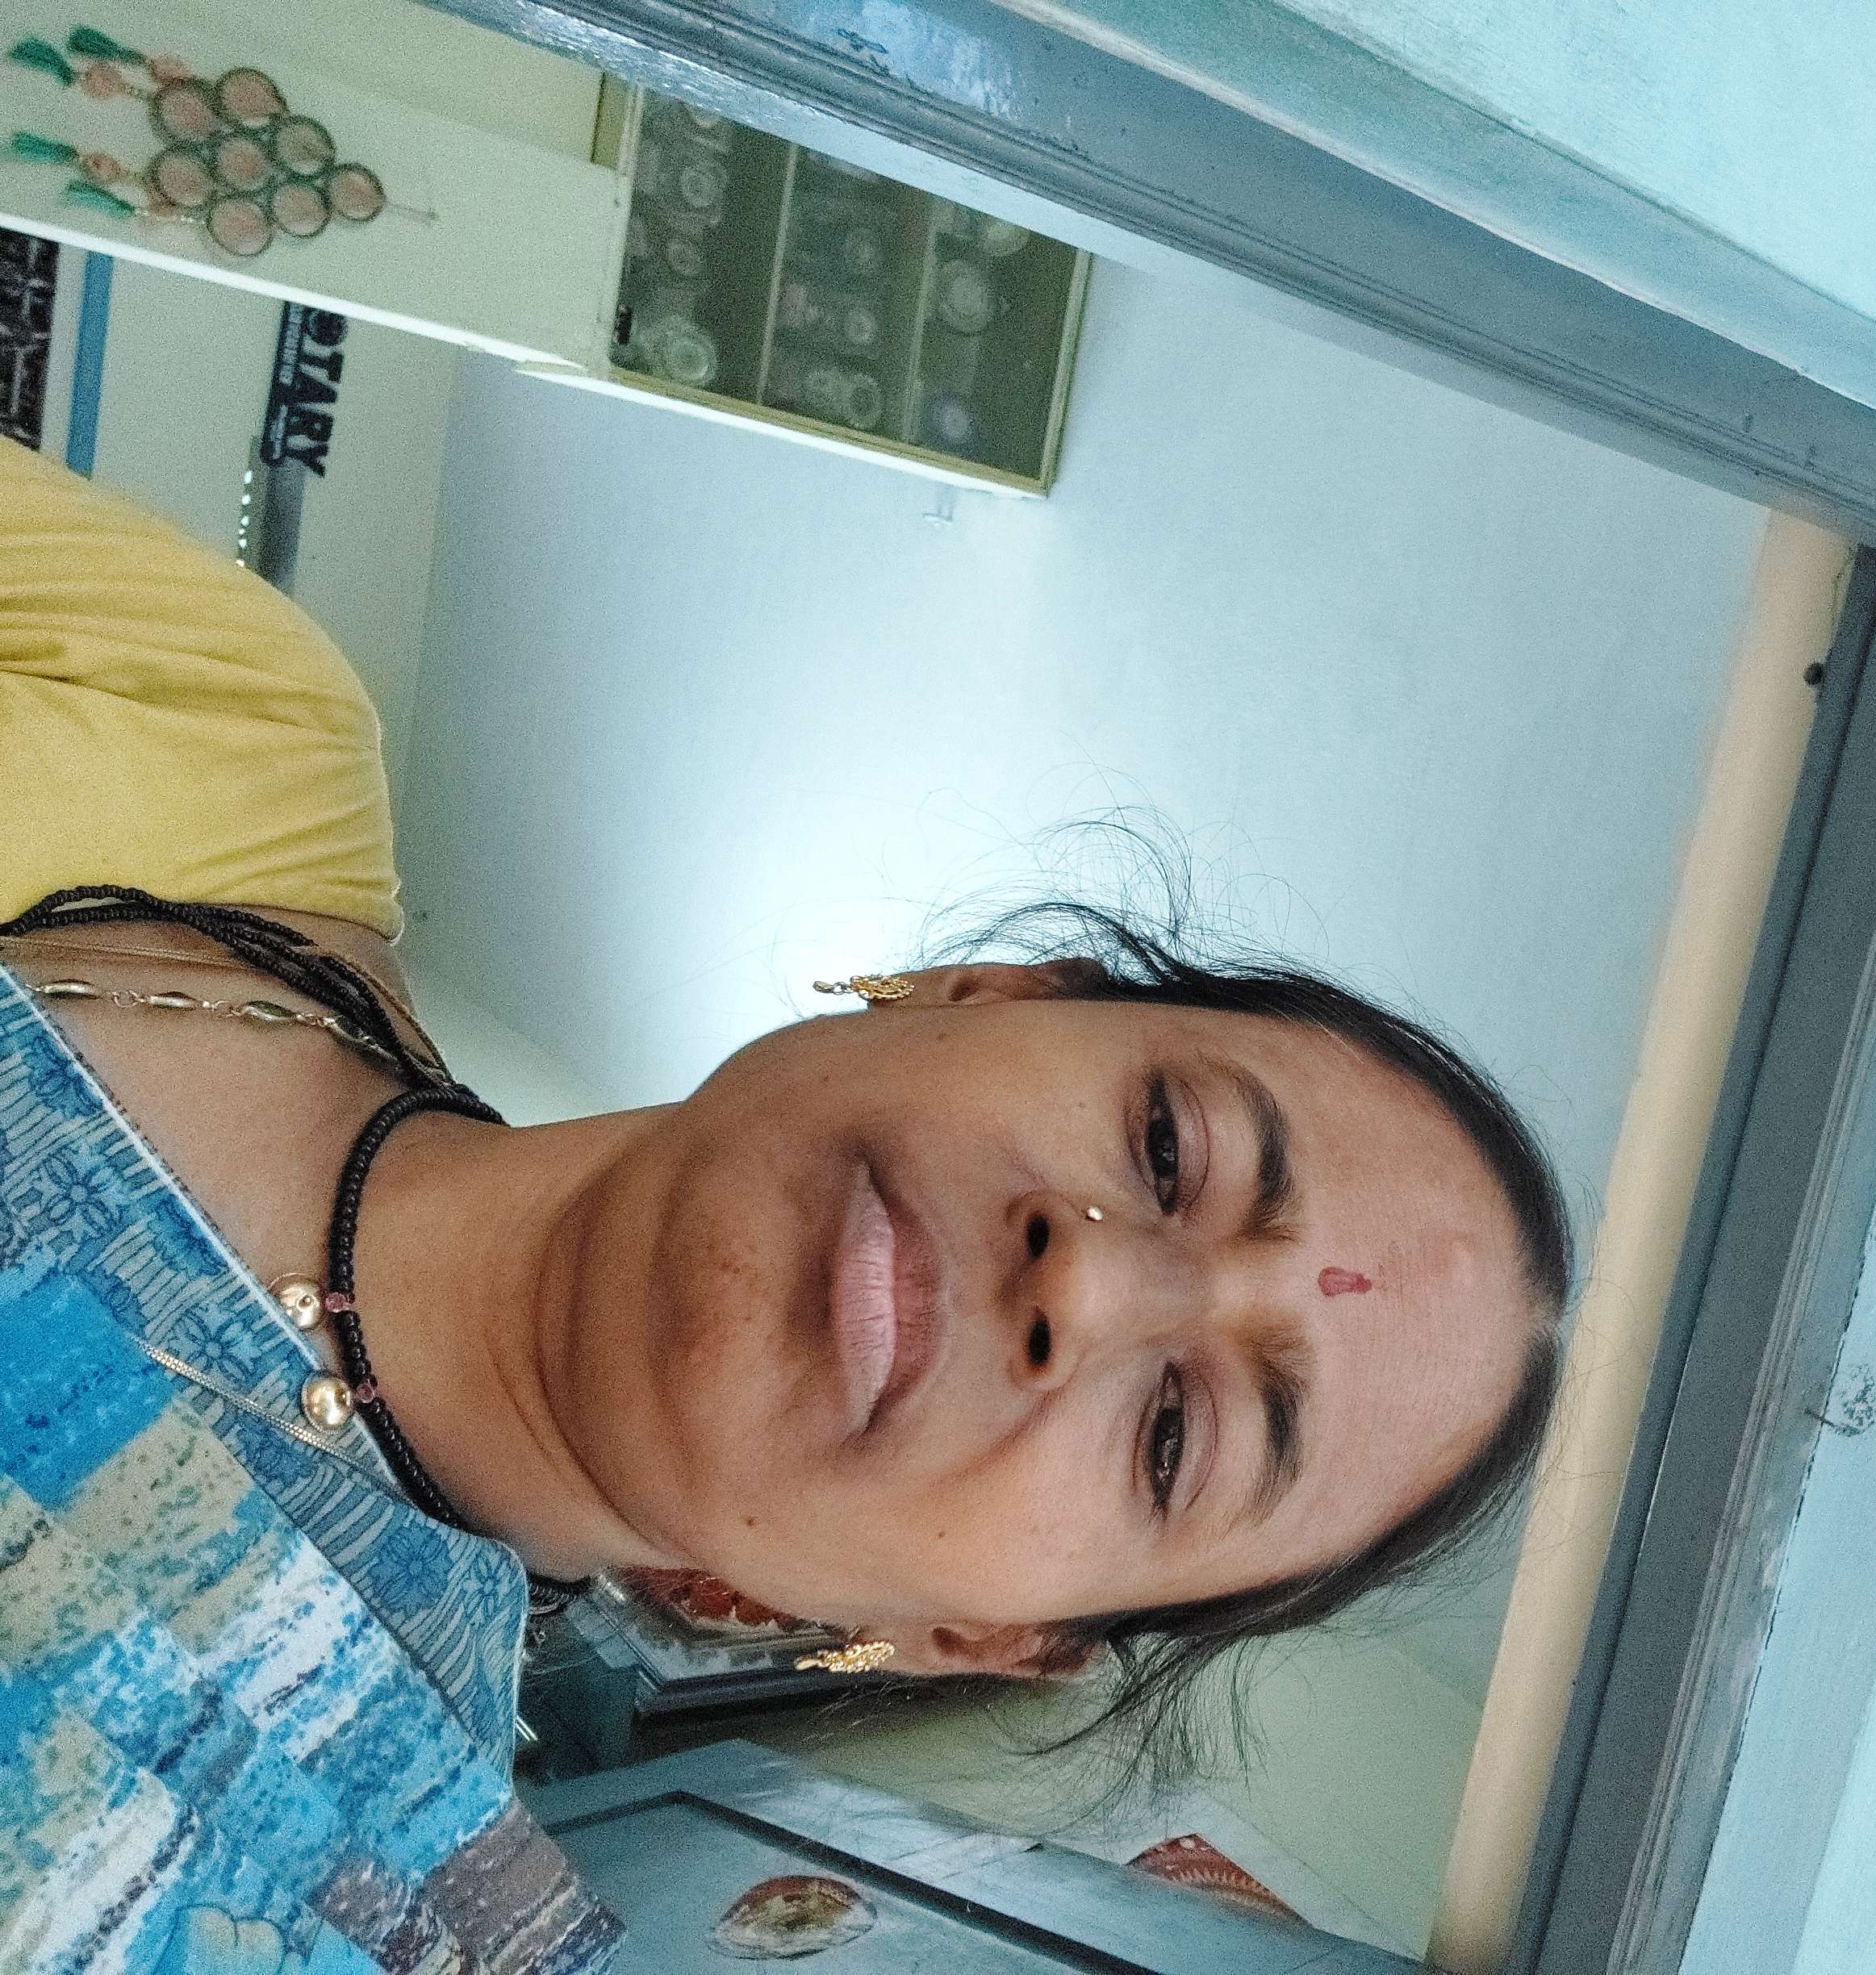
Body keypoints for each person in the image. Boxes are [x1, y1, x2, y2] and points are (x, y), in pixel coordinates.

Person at [0, 439, 1569, 1969]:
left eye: (1173, 1439)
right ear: (985, 991)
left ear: (975, 1637)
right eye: (1167, 1148)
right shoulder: (222, 717)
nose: (1086, 1292)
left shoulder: (337, 1904)